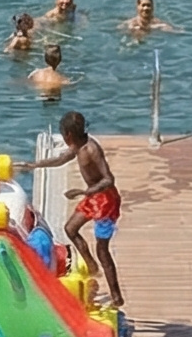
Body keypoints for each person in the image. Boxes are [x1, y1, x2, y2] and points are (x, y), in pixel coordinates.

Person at [30, 109, 123, 309]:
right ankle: (91, 264)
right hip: (93, 198)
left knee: (103, 250)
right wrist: (35, 165)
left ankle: (116, 297)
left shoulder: (91, 149)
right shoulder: (77, 147)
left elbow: (108, 179)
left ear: (68, 135)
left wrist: (83, 191)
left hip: (106, 201)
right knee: (70, 229)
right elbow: (60, 159)